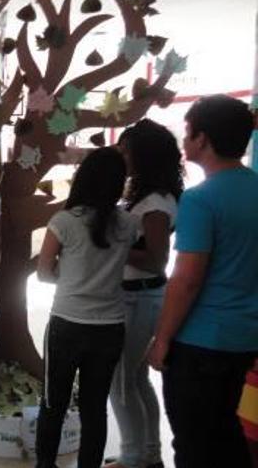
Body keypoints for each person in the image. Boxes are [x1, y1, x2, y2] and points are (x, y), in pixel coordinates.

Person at [147, 95, 258, 468]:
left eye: (188, 131)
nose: (184, 139)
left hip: (200, 342)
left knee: (193, 442)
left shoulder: (200, 199)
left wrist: (162, 339)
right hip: (244, 338)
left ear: (203, 139)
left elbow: (187, 279)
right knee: (226, 431)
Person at [34, 147, 138, 468]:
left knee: (54, 404)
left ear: (83, 178)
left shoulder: (64, 221)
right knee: (95, 409)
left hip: (66, 324)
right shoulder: (130, 223)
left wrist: (71, 284)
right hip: (110, 329)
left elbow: (42, 272)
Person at [104, 120, 183, 468]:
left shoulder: (154, 203)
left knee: (119, 382)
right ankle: (148, 455)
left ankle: (134, 457)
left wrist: (111, 247)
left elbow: (156, 260)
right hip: (138, 296)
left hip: (140, 297)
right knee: (135, 379)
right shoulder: (146, 194)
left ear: (144, 155)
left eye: (126, 149)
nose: (121, 155)